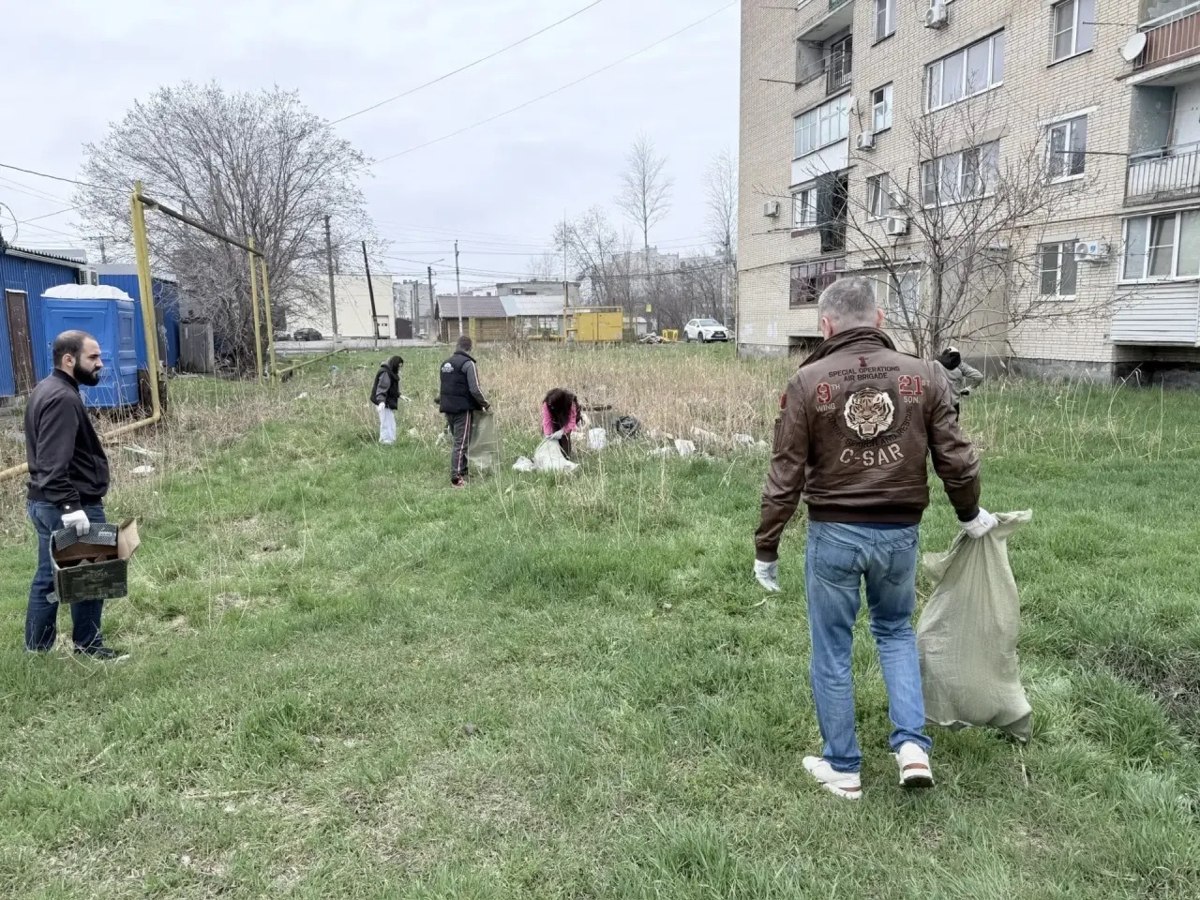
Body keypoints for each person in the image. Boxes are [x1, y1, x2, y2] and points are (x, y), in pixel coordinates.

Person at [752, 278, 996, 800]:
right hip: (899, 532)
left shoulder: (806, 381)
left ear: (825, 325)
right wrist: (969, 512)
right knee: (894, 632)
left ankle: (842, 767)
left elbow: (785, 472)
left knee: (833, 649)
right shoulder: (925, 375)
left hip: (834, 533)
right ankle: (912, 746)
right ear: (879, 320)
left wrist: (767, 546)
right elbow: (955, 455)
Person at [24, 330, 123, 660]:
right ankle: (89, 648)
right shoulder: (63, 398)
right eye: (93, 358)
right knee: (90, 577)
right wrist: (71, 507)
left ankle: (37, 652)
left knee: (47, 579)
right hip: (67, 504)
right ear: (69, 360)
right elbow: (53, 461)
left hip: (44, 502)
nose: (100, 364)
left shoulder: (45, 389)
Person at [438, 336, 489, 487]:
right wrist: (485, 404)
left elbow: (446, 387)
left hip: (448, 408)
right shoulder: (468, 364)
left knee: (460, 441)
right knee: (461, 443)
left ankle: (464, 470)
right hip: (462, 409)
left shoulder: (445, 364)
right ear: (469, 348)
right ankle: (456, 478)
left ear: (457, 346)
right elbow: (475, 389)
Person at [936, 346, 983, 418]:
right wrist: (968, 389)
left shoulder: (936, 364)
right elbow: (979, 376)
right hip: (954, 405)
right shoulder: (960, 365)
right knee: (953, 428)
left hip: (938, 405)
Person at [370, 355, 403, 445]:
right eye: (399, 366)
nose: (399, 369)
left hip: (386, 402)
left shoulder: (390, 372)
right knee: (386, 423)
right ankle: (385, 442)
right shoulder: (385, 373)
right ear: (395, 365)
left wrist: (399, 395)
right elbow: (382, 388)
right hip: (383, 403)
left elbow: (391, 388)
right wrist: (381, 402)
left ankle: (390, 441)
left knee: (391, 423)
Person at [541, 388, 580, 459]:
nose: (551, 406)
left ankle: (566, 456)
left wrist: (562, 431)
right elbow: (547, 420)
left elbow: (571, 422)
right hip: (556, 417)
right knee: (553, 436)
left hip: (567, 415)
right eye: (550, 405)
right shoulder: (547, 403)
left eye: (553, 405)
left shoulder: (571, 403)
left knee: (565, 437)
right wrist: (548, 434)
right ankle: (553, 455)